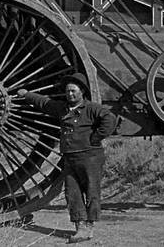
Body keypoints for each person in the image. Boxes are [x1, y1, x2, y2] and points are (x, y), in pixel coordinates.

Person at [17, 74, 117, 244]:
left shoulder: (91, 108)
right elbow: (44, 103)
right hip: (70, 157)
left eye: (73, 91)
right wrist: (26, 94)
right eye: (68, 91)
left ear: (82, 92)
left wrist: (95, 138)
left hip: (90, 156)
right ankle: (80, 227)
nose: (70, 94)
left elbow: (110, 119)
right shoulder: (63, 109)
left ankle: (89, 226)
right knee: (72, 192)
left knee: (92, 191)